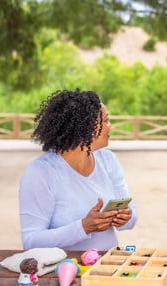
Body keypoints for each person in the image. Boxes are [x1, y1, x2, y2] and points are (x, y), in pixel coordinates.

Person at [19, 89, 137, 251]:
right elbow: (31, 241)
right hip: (64, 269)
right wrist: (83, 228)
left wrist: (126, 218)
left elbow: (131, 216)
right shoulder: (41, 172)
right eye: (106, 120)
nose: (110, 126)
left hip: (109, 264)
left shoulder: (108, 160)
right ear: (86, 127)